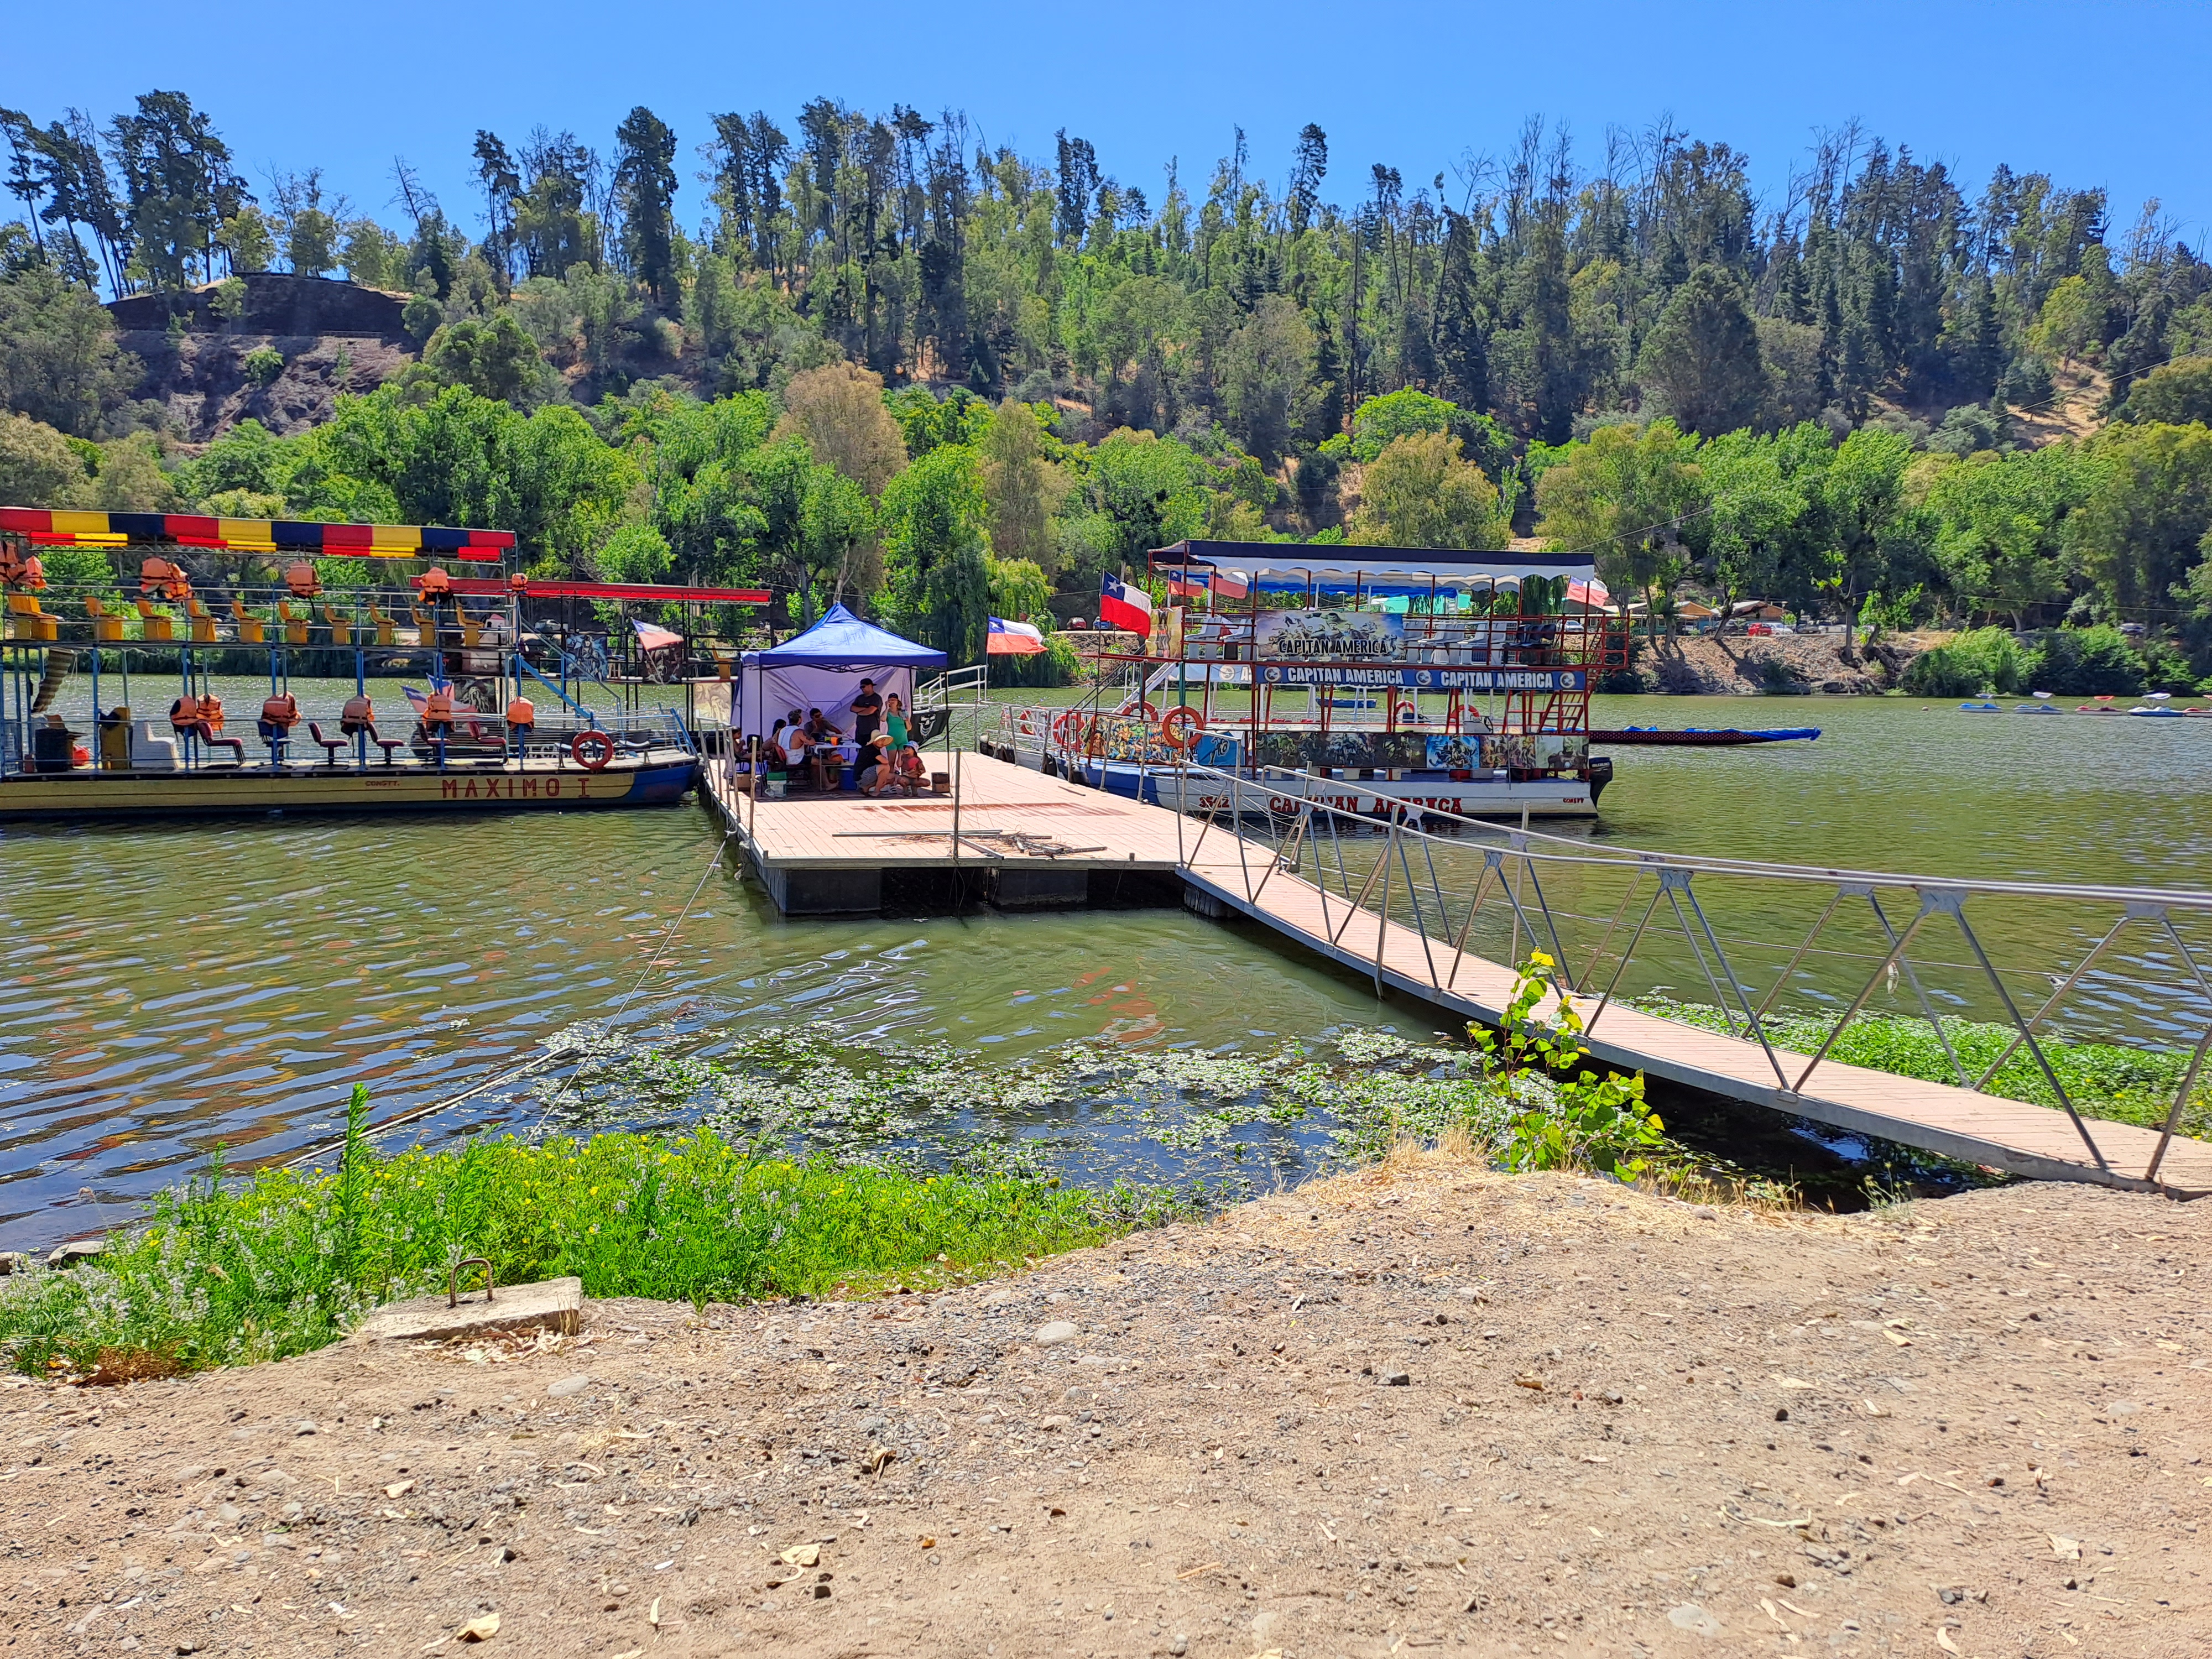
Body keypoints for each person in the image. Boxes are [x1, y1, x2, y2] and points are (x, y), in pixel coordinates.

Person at [259, 687, 300, 763]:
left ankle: (277, 758)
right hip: (280, 734)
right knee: (279, 734)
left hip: (268, 735)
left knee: (277, 734)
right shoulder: (286, 702)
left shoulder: (267, 717)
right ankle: (279, 758)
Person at [848, 679, 883, 749]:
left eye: (863, 687)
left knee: (872, 752)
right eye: (861, 687)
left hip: (872, 731)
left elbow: (870, 711)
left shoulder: (876, 698)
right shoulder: (860, 698)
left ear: (870, 686)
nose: (862, 689)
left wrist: (859, 712)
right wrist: (865, 708)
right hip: (860, 731)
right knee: (860, 751)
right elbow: (852, 708)